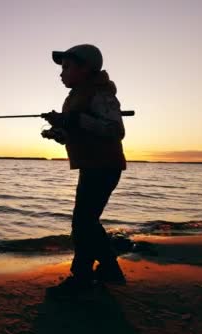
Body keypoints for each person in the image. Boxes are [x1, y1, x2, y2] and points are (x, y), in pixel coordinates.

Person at [42, 44, 127, 298]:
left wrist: (76, 120)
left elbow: (115, 130)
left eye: (67, 67)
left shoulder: (101, 94)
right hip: (91, 166)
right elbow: (77, 133)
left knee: (83, 223)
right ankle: (108, 270)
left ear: (86, 68)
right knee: (86, 222)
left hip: (105, 165)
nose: (61, 73)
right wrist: (59, 132)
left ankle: (83, 277)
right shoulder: (75, 97)